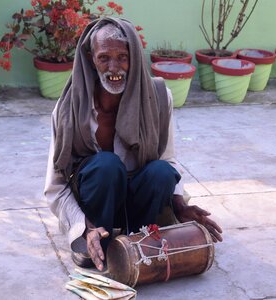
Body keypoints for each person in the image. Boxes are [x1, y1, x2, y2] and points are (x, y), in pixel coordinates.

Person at [43, 17, 222, 272]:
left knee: (161, 172)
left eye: (123, 57)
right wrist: (84, 227)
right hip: (94, 205)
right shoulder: (68, 109)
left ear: (135, 57)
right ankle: (96, 243)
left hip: (138, 198)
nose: (114, 67)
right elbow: (55, 187)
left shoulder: (158, 97)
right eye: (104, 57)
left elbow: (168, 160)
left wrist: (179, 205)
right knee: (106, 165)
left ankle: (138, 240)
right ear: (91, 59)